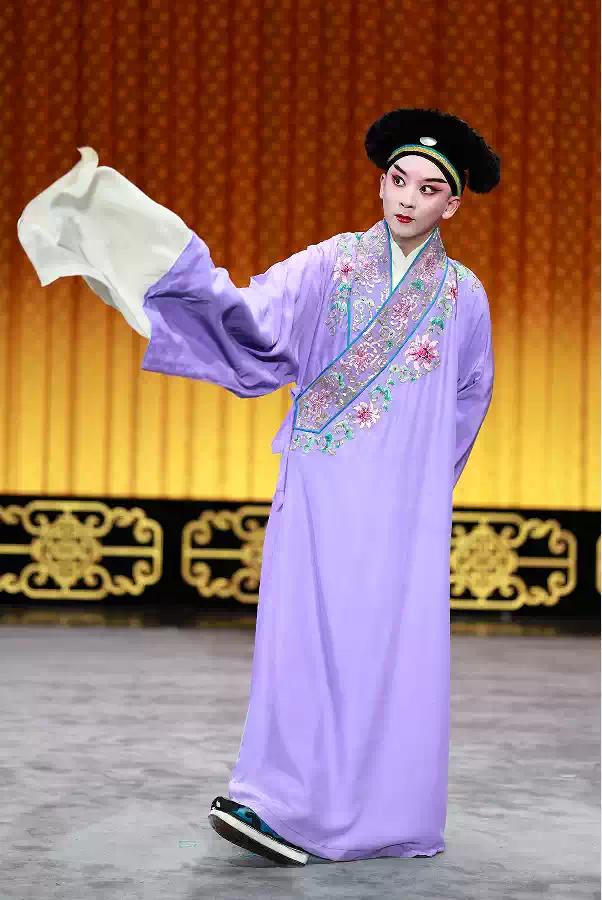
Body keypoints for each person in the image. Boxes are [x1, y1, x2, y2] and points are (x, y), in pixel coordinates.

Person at [17, 107, 500, 866]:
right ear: (381, 184)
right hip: (321, 484)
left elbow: (469, 398)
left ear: (453, 205)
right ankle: (276, 802)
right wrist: (161, 263)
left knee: (388, 651)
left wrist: (427, 489)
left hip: (402, 506)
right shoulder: (330, 265)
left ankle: (383, 816)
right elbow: (256, 319)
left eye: (429, 188)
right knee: (302, 640)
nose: (408, 198)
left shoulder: (463, 297)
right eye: (398, 179)